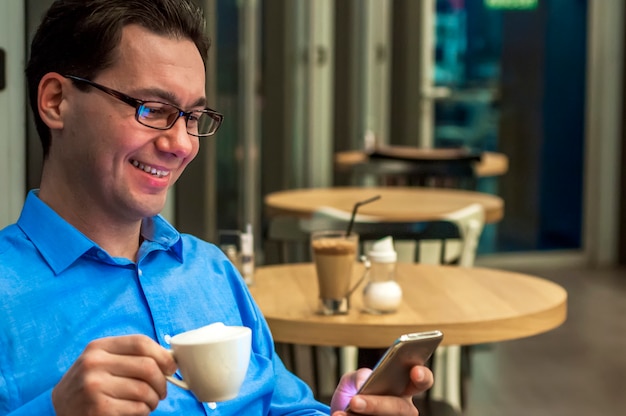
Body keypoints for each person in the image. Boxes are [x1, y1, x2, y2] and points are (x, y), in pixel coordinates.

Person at [0, 0, 434, 415]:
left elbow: (284, 406)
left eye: (192, 117)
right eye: (152, 109)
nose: (182, 145)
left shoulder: (211, 270)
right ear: (57, 101)